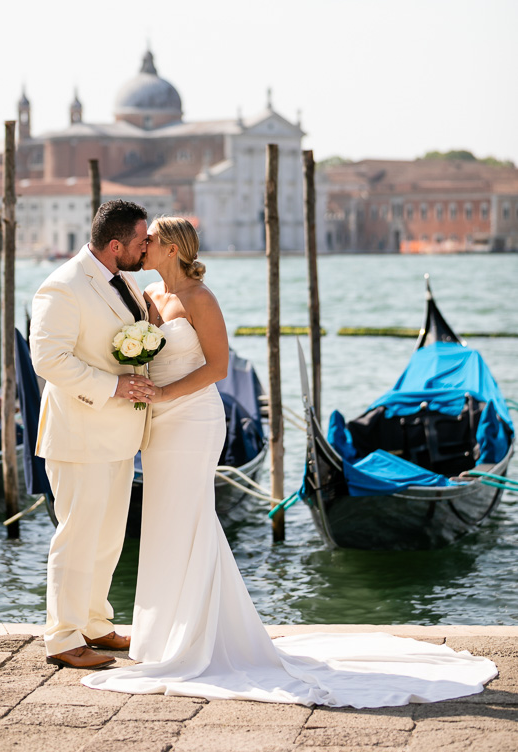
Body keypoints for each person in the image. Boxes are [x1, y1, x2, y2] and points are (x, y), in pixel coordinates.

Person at [83, 216, 497, 706]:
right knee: (164, 524)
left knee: (188, 518)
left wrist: (166, 393)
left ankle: (198, 640)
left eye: (150, 239)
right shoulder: (150, 298)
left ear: (171, 248)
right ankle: (169, 634)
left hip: (193, 421)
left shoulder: (200, 298)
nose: (143, 245)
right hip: (159, 426)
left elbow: (217, 367)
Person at [30, 199, 156, 670]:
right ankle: (62, 637)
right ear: (117, 244)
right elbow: (49, 360)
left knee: (107, 536)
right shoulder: (62, 286)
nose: (148, 248)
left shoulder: (125, 278)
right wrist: (114, 386)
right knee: (78, 535)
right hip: (79, 432)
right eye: (143, 241)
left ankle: (95, 621)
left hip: (120, 433)